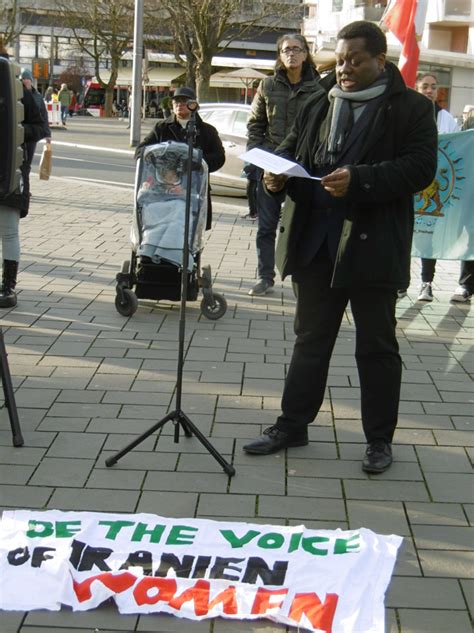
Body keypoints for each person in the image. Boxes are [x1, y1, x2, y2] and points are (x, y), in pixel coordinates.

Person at [242, 21, 438, 474]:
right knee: (310, 340)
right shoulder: (318, 99)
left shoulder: (410, 108)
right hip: (316, 243)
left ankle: (378, 440)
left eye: (356, 61)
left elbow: (420, 169)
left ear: (380, 62)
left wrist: (361, 179)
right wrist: (275, 179)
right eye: (341, 59)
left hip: (373, 247)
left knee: (376, 347)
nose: (345, 69)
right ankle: (292, 425)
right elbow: (292, 153)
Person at [246, 33, 323, 296]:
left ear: (305, 54)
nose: (291, 54)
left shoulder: (319, 88)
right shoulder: (267, 85)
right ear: (279, 55)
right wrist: (257, 158)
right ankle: (265, 276)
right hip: (270, 163)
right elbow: (255, 124)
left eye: (296, 49)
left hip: (302, 166)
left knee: (300, 224)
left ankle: (299, 276)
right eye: (286, 49)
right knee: (266, 226)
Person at [398, 72, 461, 302]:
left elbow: (455, 150)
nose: (430, 90)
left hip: (433, 186)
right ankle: (400, 283)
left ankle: (426, 283)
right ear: (416, 88)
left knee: (426, 236)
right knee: (403, 234)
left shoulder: (446, 119)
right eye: (425, 86)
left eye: (434, 87)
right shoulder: (405, 114)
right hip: (407, 184)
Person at [135, 87, 225, 230]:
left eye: (184, 101)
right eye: (176, 101)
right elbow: (141, 151)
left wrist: (196, 162)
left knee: (192, 237)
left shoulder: (207, 131)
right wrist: (164, 162)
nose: (179, 105)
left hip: (194, 190)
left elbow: (219, 158)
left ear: (193, 105)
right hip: (163, 191)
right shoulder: (161, 128)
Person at [0, 53, 46, 308]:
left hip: (9, 172)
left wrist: (14, 133)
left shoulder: (12, 80)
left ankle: (8, 286)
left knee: (8, 232)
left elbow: (40, 127)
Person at [20, 68, 51, 193]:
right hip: (19, 132)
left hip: (31, 134)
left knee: (27, 163)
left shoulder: (37, 96)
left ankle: (25, 188)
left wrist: (47, 134)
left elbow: (43, 115)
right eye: (23, 79)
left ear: (31, 81)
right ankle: (20, 187)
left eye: (27, 79)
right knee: (18, 162)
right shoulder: (17, 94)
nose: (25, 81)